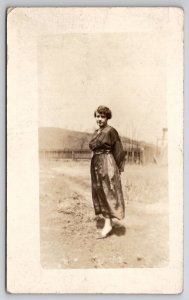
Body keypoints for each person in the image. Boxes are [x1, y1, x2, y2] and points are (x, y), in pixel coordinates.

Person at [89, 106, 126, 238]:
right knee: (99, 191)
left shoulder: (111, 131)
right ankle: (107, 222)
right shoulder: (96, 132)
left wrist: (117, 168)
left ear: (107, 118)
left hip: (107, 163)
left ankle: (108, 224)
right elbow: (93, 148)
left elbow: (119, 150)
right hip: (96, 163)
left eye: (102, 116)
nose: (99, 119)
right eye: (98, 116)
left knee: (107, 191)